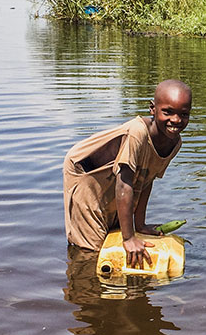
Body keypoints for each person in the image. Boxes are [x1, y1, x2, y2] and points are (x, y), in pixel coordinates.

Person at [63, 79, 191, 268]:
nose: (176, 120)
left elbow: (147, 179)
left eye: (184, 114)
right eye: (168, 112)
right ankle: (83, 286)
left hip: (112, 175)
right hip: (86, 172)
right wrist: (129, 238)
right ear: (152, 109)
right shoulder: (137, 133)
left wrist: (140, 226)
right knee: (91, 249)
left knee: (114, 227)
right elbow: (124, 184)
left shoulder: (174, 143)